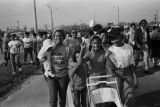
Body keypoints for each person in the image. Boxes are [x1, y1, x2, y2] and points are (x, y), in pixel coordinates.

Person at [107, 28, 138, 107]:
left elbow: (131, 63)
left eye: (116, 38)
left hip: (128, 73)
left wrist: (135, 78)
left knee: (130, 96)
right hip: (116, 74)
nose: (114, 41)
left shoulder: (129, 47)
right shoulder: (111, 50)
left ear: (121, 36)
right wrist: (107, 56)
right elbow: (108, 65)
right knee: (118, 97)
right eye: (112, 40)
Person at [47, 29, 71, 107]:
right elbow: (43, 58)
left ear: (63, 37)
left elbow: (69, 63)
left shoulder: (67, 48)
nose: (58, 37)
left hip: (63, 77)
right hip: (52, 77)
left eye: (60, 36)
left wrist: (70, 74)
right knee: (53, 100)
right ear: (53, 37)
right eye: (56, 35)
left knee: (62, 100)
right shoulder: (49, 47)